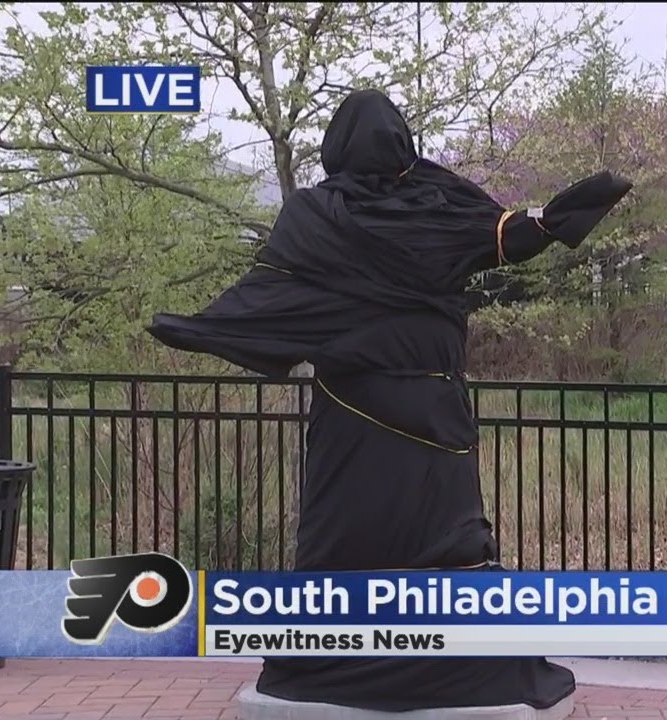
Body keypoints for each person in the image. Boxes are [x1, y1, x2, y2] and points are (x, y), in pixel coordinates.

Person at [146, 89, 632, 711]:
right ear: (402, 141)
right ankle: (456, 664)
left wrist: (201, 327)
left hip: (357, 418)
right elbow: (517, 235)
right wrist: (576, 207)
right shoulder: (433, 199)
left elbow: (268, 296)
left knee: (347, 537)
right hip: (429, 415)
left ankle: (328, 666)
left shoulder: (316, 213)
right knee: (444, 538)